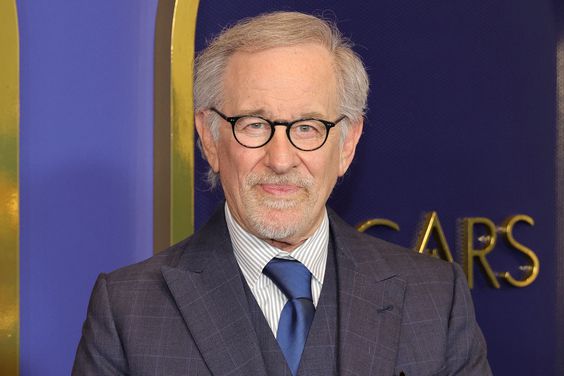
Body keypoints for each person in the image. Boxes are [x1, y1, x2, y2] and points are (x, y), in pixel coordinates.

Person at [73, 11, 491, 376]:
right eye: (254, 124)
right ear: (210, 139)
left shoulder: (437, 300)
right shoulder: (127, 312)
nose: (281, 158)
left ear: (346, 145)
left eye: (307, 127)